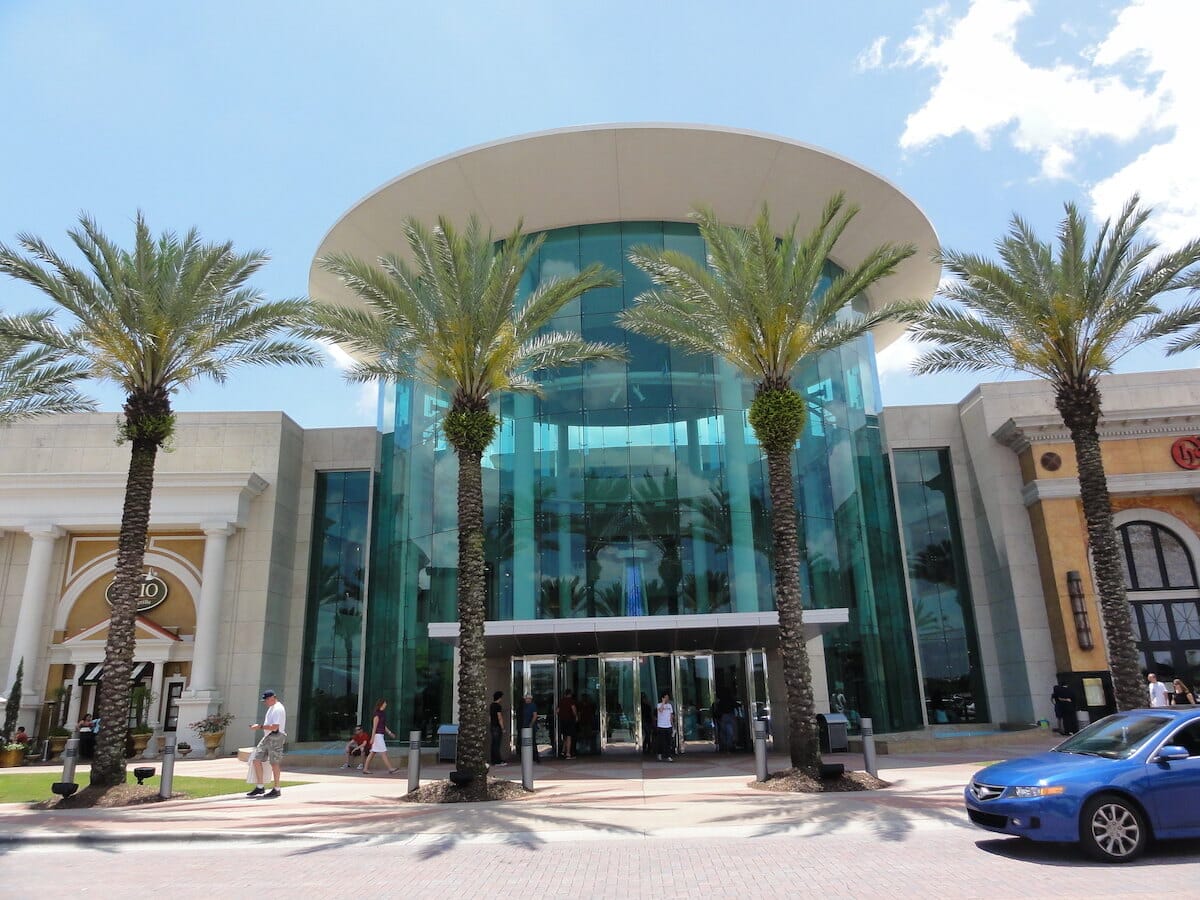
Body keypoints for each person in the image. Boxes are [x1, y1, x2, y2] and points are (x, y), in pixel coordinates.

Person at [247, 690, 287, 799]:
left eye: (266, 700)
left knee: (274, 763)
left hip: (276, 736)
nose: (265, 702)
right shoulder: (272, 708)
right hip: (268, 736)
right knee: (256, 759)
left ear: (272, 698)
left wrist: (259, 727)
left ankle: (277, 788)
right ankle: (260, 786)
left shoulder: (278, 709)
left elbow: (275, 727)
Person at [362, 698, 399, 775]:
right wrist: (372, 738)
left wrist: (389, 733)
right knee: (383, 752)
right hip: (377, 735)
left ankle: (365, 769)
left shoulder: (382, 713)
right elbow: (374, 727)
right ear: (381, 704)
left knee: (372, 753)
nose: (386, 704)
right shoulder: (377, 714)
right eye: (385, 703)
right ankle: (390, 768)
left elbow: (383, 725)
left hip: (380, 735)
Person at [519, 691, 540, 762]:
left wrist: (531, 724)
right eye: (526, 698)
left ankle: (535, 757)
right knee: (525, 742)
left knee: (532, 742)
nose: (527, 700)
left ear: (531, 699)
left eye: (528, 698)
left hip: (531, 726)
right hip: (524, 726)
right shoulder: (524, 705)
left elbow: (535, 715)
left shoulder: (533, 705)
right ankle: (526, 757)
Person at [557, 690, 578, 759]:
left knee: (565, 736)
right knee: (569, 736)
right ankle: (568, 753)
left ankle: (563, 751)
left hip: (563, 720)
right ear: (570, 694)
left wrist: (561, 716)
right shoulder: (571, 701)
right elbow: (573, 709)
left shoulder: (561, 701)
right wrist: (576, 716)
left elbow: (557, 711)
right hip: (569, 720)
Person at [656, 691, 675, 762]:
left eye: (668, 698)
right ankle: (659, 753)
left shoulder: (670, 706)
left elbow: (671, 716)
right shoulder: (659, 705)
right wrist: (663, 702)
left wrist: (672, 725)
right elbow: (660, 710)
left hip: (668, 726)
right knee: (661, 741)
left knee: (668, 742)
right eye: (666, 697)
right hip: (661, 726)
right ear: (663, 698)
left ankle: (668, 756)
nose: (667, 699)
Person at [490, 690, 507, 766]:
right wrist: (502, 728)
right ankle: (498, 761)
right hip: (497, 726)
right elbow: (499, 717)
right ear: (499, 698)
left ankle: (493, 760)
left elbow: (490, 717)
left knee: (494, 743)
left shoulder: (491, 705)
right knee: (497, 744)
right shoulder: (498, 706)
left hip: (492, 726)